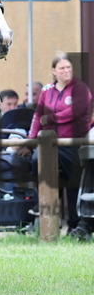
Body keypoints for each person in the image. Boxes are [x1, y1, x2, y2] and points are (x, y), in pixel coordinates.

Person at [28, 51, 93, 233]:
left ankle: (75, 225)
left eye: (68, 67)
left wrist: (50, 118)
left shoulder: (80, 88)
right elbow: (38, 116)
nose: (66, 71)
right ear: (53, 71)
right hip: (49, 144)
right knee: (36, 161)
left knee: (72, 183)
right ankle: (45, 210)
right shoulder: (47, 90)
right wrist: (31, 140)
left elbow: (76, 111)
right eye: (62, 68)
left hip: (73, 144)